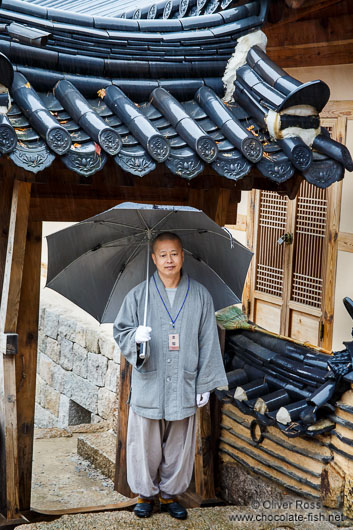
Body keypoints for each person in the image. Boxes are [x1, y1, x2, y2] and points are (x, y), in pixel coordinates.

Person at [113, 232, 228, 520]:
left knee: (180, 444)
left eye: (174, 253)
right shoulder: (139, 295)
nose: (169, 260)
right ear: (153, 259)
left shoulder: (201, 295)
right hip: (150, 380)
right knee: (145, 443)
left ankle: (169, 495)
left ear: (182, 256)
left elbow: (209, 342)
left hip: (184, 381)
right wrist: (135, 337)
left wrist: (206, 384)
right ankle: (145, 495)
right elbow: (121, 330)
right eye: (162, 254)